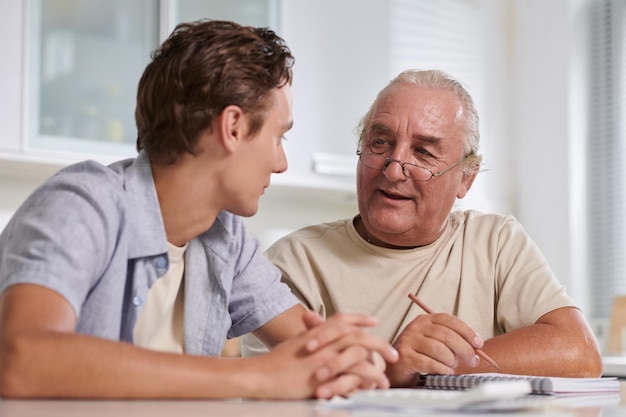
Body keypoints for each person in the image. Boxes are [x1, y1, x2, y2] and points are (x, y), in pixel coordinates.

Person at [0, 20, 399, 399]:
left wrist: (374, 360)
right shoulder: (81, 206)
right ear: (233, 128)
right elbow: (21, 359)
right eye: (279, 137)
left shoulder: (225, 239)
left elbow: (313, 353)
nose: (281, 163)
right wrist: (256, 377)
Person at [242, 69, 603, 386]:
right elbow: (277, 395)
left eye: (424, 153)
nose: (394, 168)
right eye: (380, 143)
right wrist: (393, 366)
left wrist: (443, 364)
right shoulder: (293, 262)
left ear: (466, 179)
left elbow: (580, 353)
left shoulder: (496, 242)